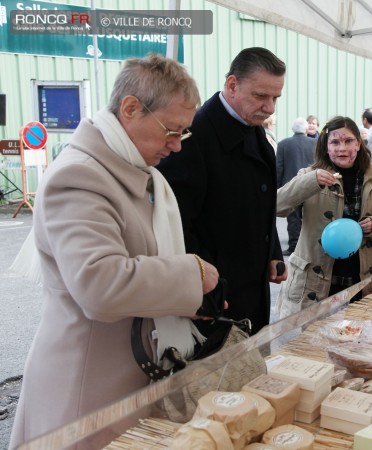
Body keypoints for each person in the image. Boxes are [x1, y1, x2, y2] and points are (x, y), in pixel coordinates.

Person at [9, 54, 220, 449]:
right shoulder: (81, 176)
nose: (176, 146)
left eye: (183, 134)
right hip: (87, 391)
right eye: (171, 131)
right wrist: (191, 275)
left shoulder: (135, 169)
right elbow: (99, 284)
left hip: (130, 379)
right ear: (130, 109)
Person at [157, 47, 288, 334]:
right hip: (216, 295)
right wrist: (200, 288)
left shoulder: (255, 130)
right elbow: (177, 226)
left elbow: (263, 202)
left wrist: (272, 253)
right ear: (232, 85)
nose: (270, 107)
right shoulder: (193, 137)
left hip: (252, 286)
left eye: (275, 97)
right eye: (261, 96)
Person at [275, 116, 372, 319]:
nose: (342, 148)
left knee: (356, 341)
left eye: (348, 141)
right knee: (312, 345)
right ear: (326, 146)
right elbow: (277, 206)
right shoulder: (309, 175)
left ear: (358, 143)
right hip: (316, 281)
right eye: (335, 142)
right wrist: (310, 182)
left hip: (360, 279)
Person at [276, 117, 316, 255]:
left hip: (291, 186)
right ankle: (311, 246)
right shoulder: (315, 143)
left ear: (293, 129)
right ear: (306, 129)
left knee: (293, 219)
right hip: (312, 185)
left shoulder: (283, 144)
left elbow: (279, 167)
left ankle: (294, 246)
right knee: (310, 217)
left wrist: (278, 187)